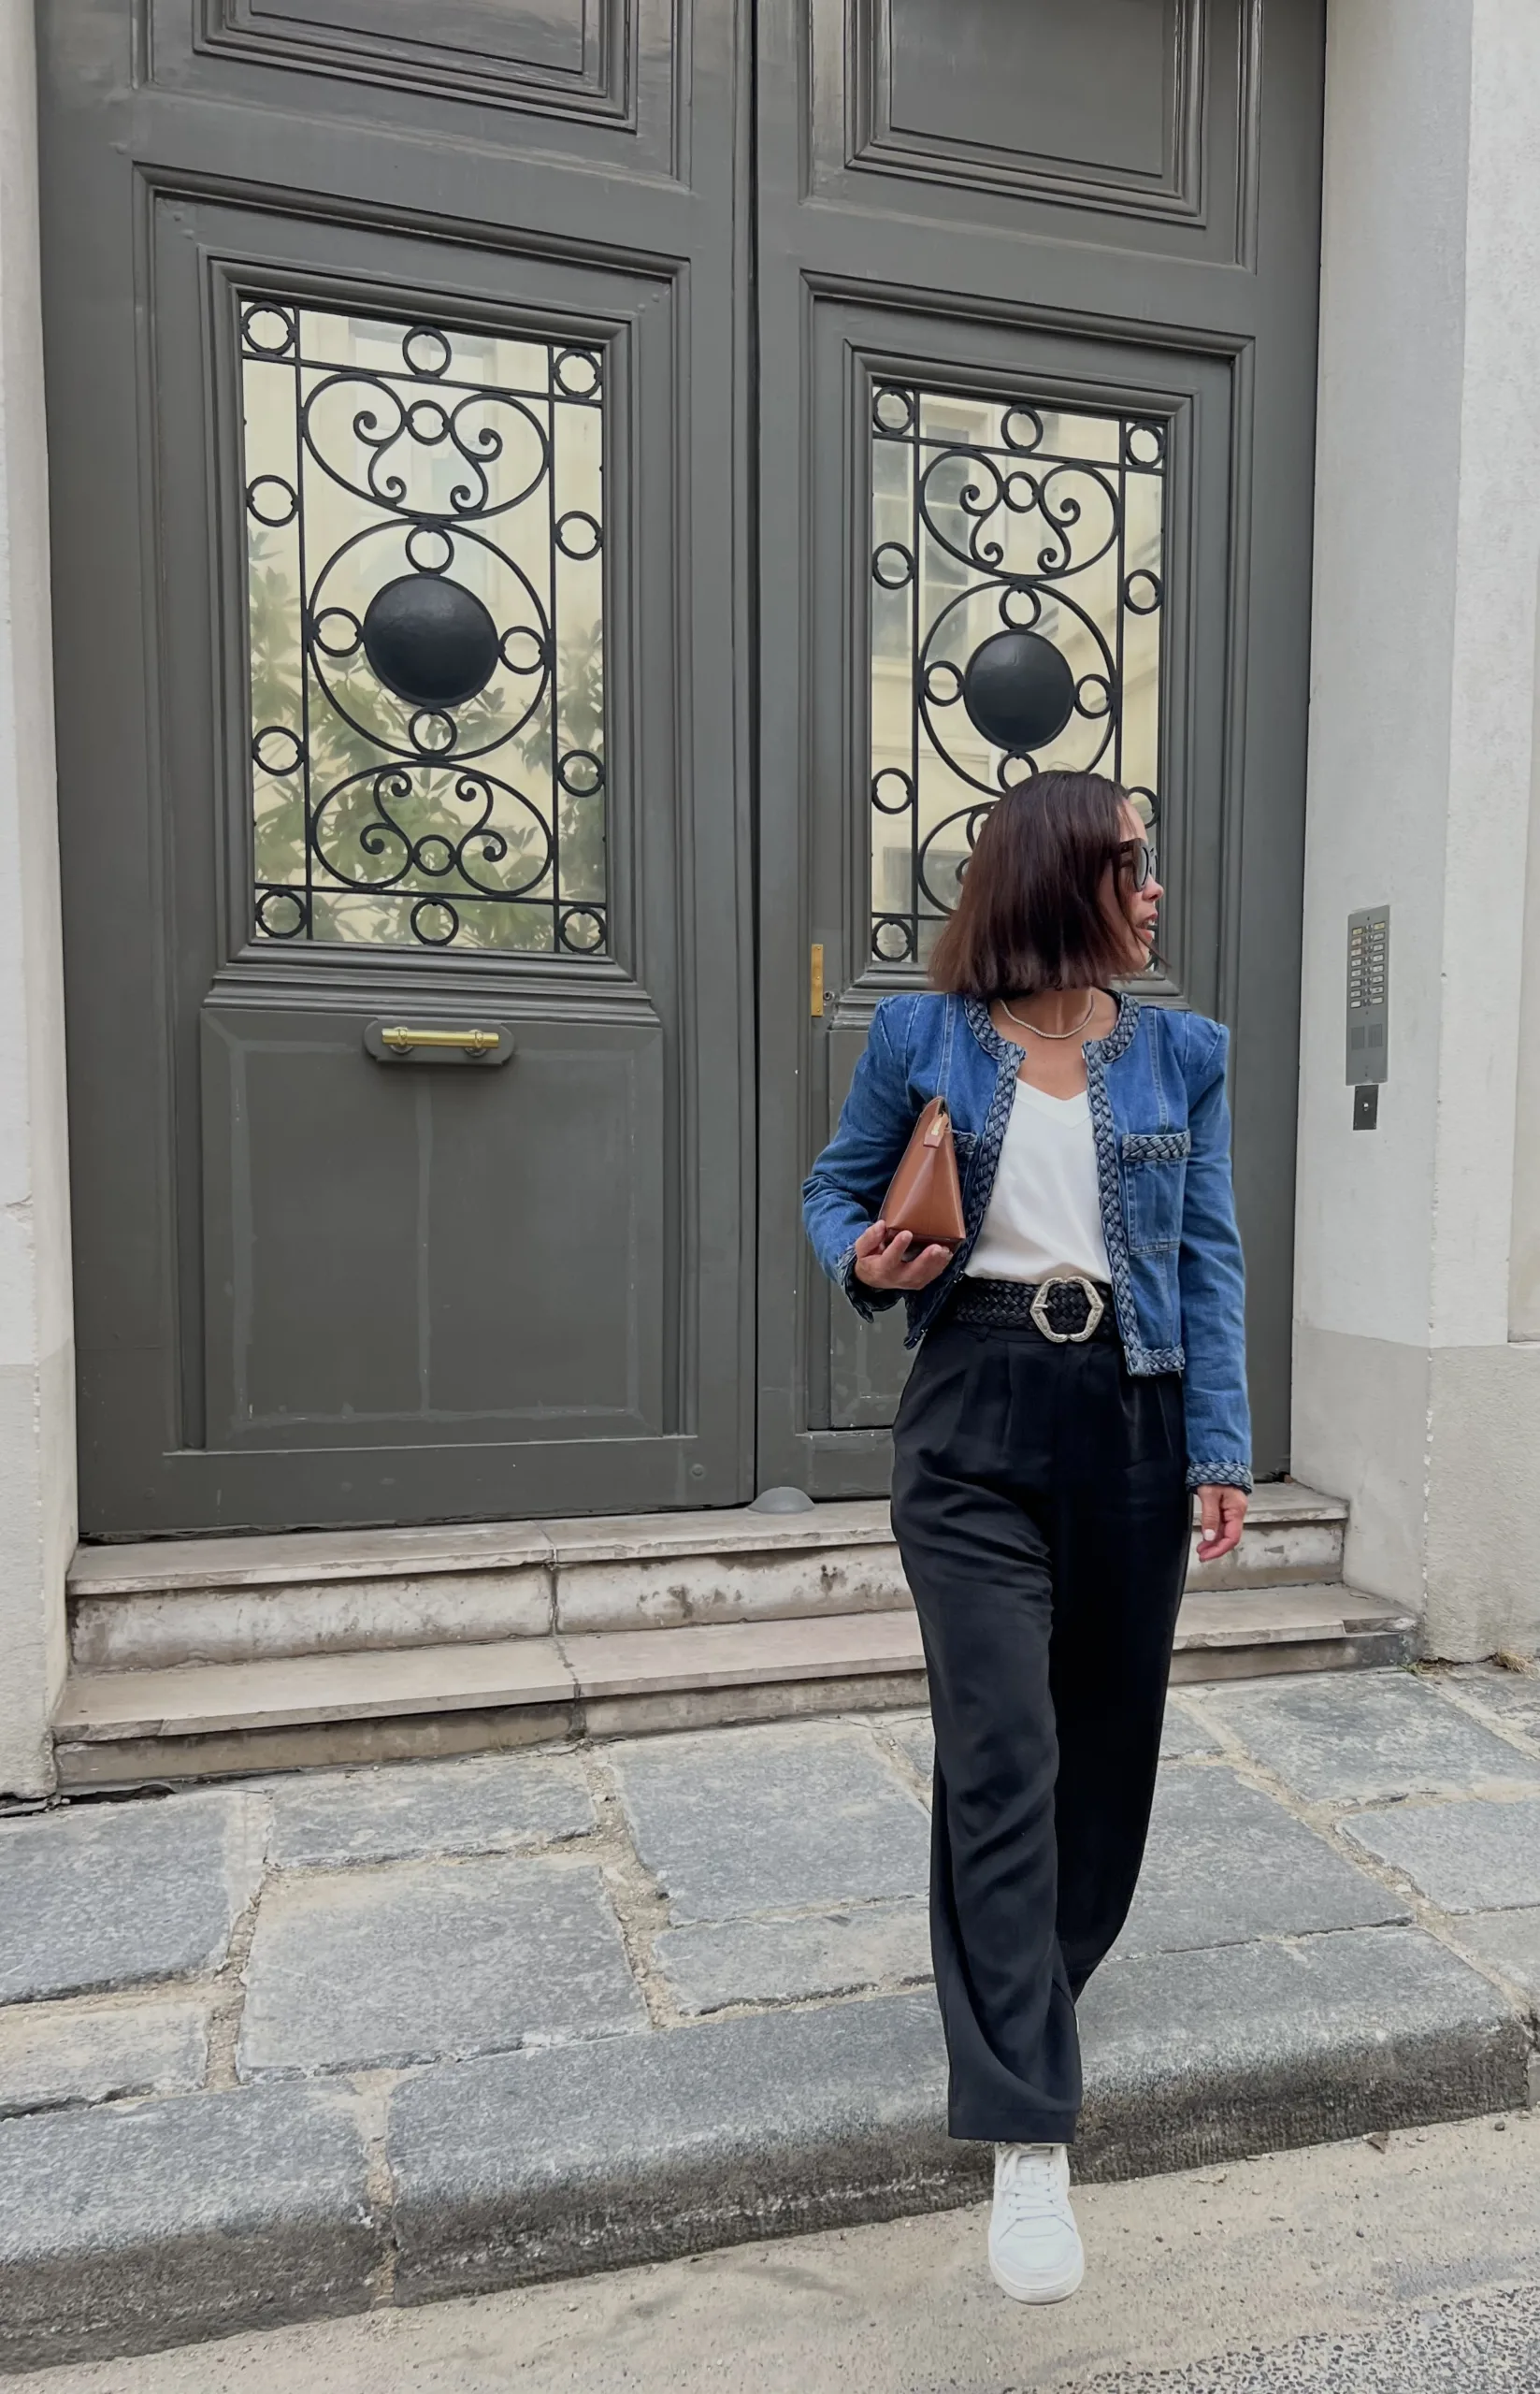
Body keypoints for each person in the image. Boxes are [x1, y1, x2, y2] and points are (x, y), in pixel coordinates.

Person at [802, 769, 1250, 2305]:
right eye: (1133, 861)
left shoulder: (1181, 1054)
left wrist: (1220, 1448)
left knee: (1108, 1750)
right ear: (1061, 873)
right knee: (1004, 1751)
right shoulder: (921, 1038)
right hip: (973, 1414)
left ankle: (1027, 1987)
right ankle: (1025, 2129)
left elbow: (1208, 1259)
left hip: (1128, 1414)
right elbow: (834, 1190)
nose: (1153, 888)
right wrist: (861, 1255)